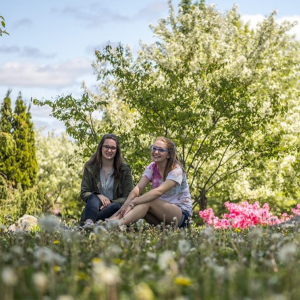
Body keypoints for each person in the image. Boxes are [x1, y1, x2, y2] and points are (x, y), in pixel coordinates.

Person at [110, 136, 192, 228]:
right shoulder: (152, 167)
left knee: (148, 199)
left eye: (161, 150)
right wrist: (126, 204)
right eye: (154, 148)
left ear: (168, 155)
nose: (156, 152)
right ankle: (106, 223)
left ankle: (117, 224)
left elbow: (159, 191)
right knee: (141, 202)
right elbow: (138, 188)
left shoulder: (176, 169)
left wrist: (134, 202)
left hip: (181, 217)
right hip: (160, 218)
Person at [80, 133, 133, 230]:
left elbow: (128, 197)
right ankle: (89, 223)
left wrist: (109, 202)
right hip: (94, 210)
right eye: (106, 147)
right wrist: (99, 196)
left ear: (117, 150)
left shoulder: (124, 169)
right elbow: (84, 193)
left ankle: (95, 226)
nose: (109, 150)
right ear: (101, 147)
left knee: (116, 206)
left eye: (113, 148)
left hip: (115, 211)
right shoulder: (90, 168)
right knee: (93, 196)